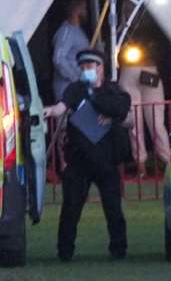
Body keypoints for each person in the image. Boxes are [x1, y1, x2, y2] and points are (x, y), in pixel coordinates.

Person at [45, 48, 130, 262]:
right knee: (71, 207)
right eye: (82, 67)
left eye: (89, 66)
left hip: (107, 160)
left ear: (100, 68)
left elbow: (122, 110)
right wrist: (51, 111)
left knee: (113, 208)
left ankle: (119, 249)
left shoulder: (113, 91)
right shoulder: (75, 90)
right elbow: (62, 106)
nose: (85, 70)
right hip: (80, 159)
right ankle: (65, 251)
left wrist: (105, 110)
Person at [51, 0, 90, 103]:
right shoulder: (66, 32)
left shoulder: (79, 32)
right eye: (84, 8)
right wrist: (76, 78)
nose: (86, 11)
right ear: (76, 9)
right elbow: (58, 59)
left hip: (78, 89)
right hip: (67, 90)